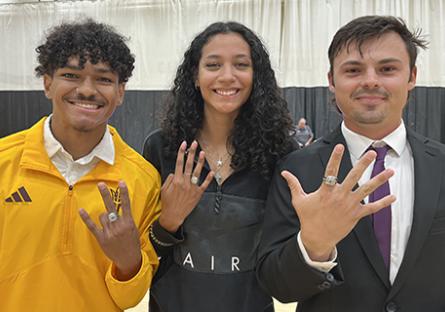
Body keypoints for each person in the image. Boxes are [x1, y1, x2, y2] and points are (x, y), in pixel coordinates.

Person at [256, 15, 445, 312]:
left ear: (412, 77)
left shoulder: (442, 166)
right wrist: (314, 245)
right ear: (331, 80)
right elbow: (276, 285)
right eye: (354, 70)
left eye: (387, 69)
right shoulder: (296, 170)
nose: (370, 80)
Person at [0, 20, 161, 311]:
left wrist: (128, 263)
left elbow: (130, 298)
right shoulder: (4, 162)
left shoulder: (143, 180)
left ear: (120, 92)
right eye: (71, 75)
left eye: (103, 79)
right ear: (48, 83)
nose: (87, 90)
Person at [143, 21, 295, 311]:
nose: (227, 76)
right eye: (213, 65)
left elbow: (282, 257)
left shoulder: (281, 153)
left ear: (256, 77)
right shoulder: (161, 148)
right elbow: (145, 254)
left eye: (241, 65)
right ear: (195, 77)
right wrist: (169, 222)